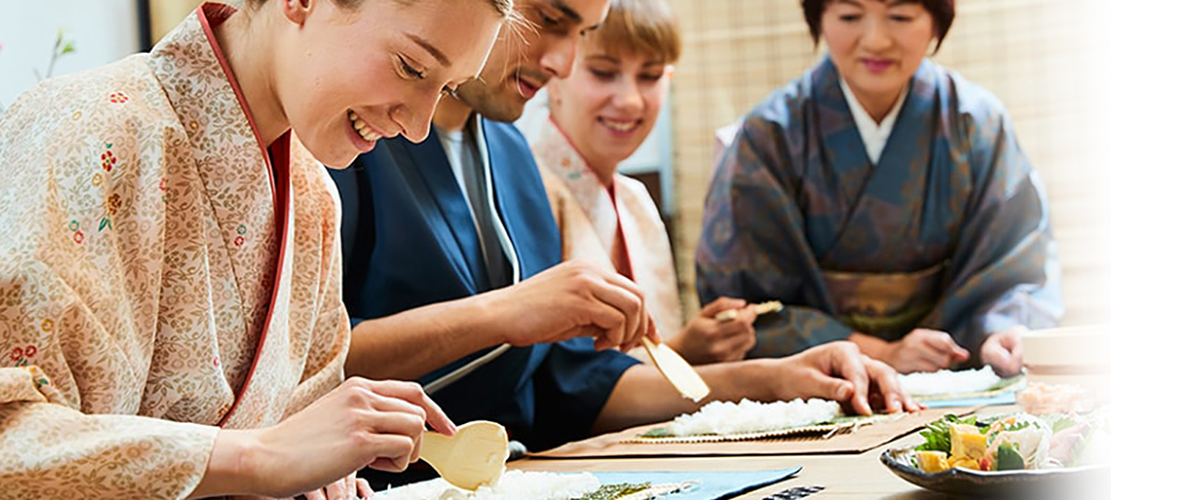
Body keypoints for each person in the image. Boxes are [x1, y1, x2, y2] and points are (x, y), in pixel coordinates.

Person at [331, 0, 920, 470]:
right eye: (549, 18)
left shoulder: (509, 154)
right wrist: (503, 313)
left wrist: (776, 378)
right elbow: (309, 362)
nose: (562, 61)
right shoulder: (352, 134)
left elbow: (572, 387)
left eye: (582, 34)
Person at [0, 0, 510, 498]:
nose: (417, 128)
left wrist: (328, 469)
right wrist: (259, 456)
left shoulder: (312, 196)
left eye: (446, 89)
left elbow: (305, 437)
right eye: (411, 68)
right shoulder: (86, 129)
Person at [696, 0, 1063, 376]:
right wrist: (880, 353)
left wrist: (1001, 333)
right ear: (819, 18)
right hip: (818, 380)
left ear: (936, 22)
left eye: (900, 16)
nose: (875, 41)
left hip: (951, 369)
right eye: (850, 16)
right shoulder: (770, 135)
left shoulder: (977, 125)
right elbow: (745, 303)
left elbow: (1017, 261)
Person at [531, 0, 764, 366]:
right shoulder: (527, 190)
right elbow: (556, 376)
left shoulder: (635, 200)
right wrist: (680, 352)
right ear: (554, 75)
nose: (629, 101)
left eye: (650, 76)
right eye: (603, 72)